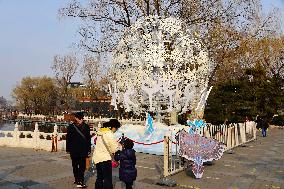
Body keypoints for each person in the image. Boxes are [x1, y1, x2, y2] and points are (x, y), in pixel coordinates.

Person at [92, 119, 121, 189]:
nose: (116, 131)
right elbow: (114, 149)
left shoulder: (101, 132)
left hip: (97, 158)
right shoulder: (109, 134)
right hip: (105, 159)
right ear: (114, 127)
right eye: (116, 129)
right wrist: (119, 146)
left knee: (99, 177)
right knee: (107, 179)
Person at [66, 112, 91, 188]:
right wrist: (88, 149)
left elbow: (68, 139)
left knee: (75, 165)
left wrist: (68, 149)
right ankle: (80, 181)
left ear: (76, 118)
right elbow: (88, 139)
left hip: (74, 150)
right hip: (82, 150)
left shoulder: (71, 126)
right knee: (81, 166)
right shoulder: (86, 126)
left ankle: (77, 179)